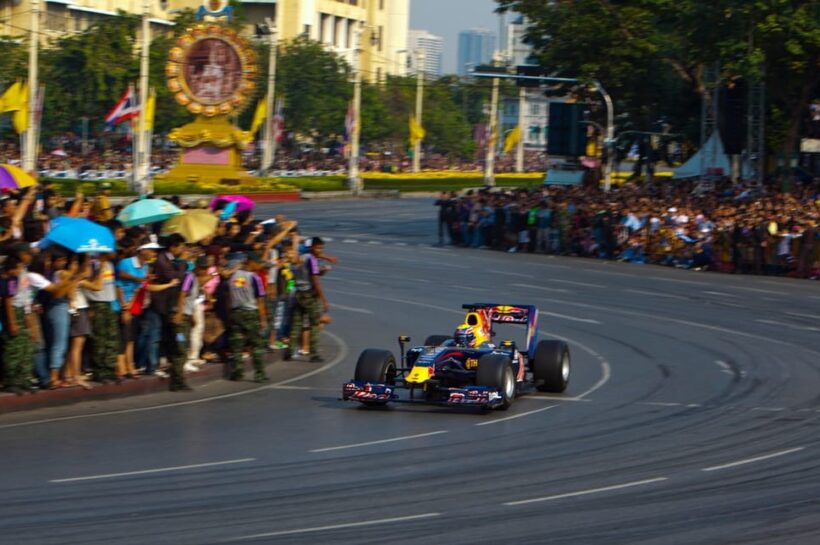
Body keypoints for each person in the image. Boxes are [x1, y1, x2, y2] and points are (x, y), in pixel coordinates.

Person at [226, 252, 268, 382]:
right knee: (256, 344)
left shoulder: (234, 276)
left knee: (237, 344)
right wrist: (263, 319)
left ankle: (237, 372)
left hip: (236, 312)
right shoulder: (254, 278)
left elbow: (229, 297)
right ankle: (259, 374)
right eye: (258, 263)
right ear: (251, 262)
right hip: (251, 313)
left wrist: (230, 314)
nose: (260, 266)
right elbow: (260, 300)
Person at [285, 237, 329, 363]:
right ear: (313, 248)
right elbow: (316, 282)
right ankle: (314, 353)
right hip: (308, 294)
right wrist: (324, 300)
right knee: (314, 323)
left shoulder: (302, 258)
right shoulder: (312, 260)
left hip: (298, 293)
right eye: (319, 248)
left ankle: (290, 351)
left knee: (296, 323)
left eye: (322, 248)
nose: (320, 251)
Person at [0, 256, 36, 394]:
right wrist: (12, 323)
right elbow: (8, 302)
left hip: (20, 312)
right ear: (11, 269)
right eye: (18, 268)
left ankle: (23, 380)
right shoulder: (8, 280)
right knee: (13, 350)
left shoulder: (13, 279)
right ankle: (11, 381)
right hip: (12, 314)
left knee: (24, 348)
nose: (20, 271)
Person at [83, 252, 120, 383]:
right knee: (99, 339)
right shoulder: (91, 265)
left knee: (111, 338)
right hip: (96, 303)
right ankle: (99, 371)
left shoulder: (110, 265)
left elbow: (112, 285)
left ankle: (109, 369)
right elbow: (92, 284)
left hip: (109, 303)